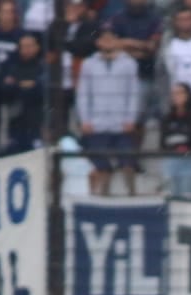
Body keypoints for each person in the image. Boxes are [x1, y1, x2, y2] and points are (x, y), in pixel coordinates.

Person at [78, 25, 140, 195]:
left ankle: (132, 195)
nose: (108, 42)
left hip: (121, 121)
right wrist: (85, 120)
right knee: (102, 164)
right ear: (98, 42)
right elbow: (84, 93)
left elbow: (133, 92)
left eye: (111, 38)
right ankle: (103, 196)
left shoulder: (128, 63)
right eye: (104, 39)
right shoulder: (89, 64)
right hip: (97, 122)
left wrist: (130, 118)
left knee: (127, 162)